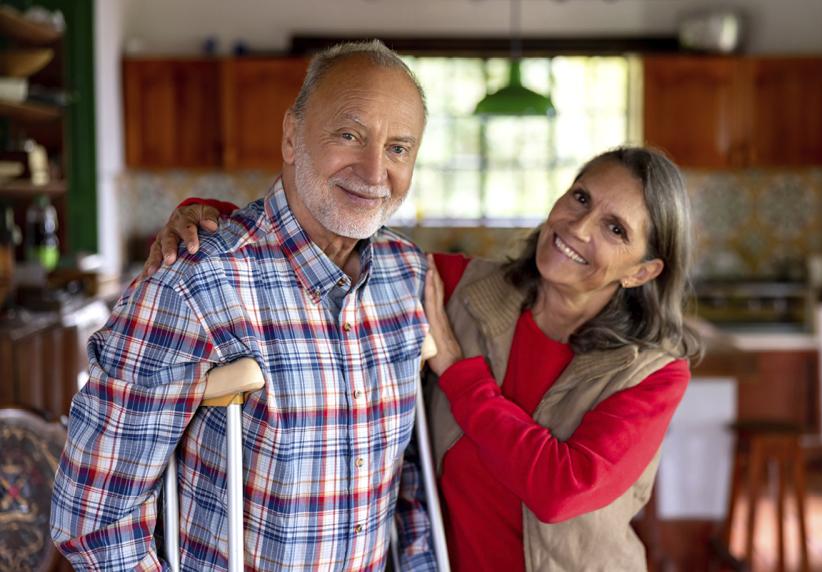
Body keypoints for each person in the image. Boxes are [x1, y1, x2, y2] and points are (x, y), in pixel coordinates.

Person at [150, 146, 701, 571]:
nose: (577, 228)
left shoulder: (653, 371)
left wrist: (461, 375)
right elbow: (333, 248)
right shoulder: (463, 288)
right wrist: (210, 219)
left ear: (641, 271)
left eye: (615, 229)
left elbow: (563, 491)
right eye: (581, 197)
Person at [50, 41, 438, 571]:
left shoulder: (410, 275)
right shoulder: (192, 283)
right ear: (290, 136)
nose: (374, 171)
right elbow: (93, 513)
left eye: (399, 148)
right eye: (349, 135)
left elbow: (412, 480)